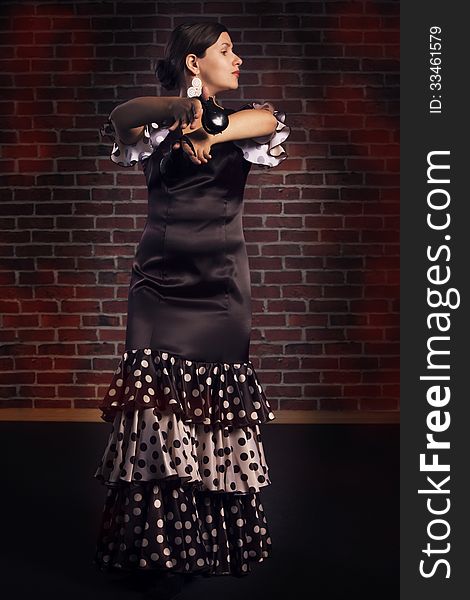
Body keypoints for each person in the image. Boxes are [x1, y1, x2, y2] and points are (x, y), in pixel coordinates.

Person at [92, 21, 290, 594]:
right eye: (227, 50)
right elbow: (122, 117)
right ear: (194, 62)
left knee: (212, 413)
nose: (240, 59)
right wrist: (179, 110)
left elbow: (271, 121)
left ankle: (210, 541)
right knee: (155, 413)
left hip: (223, 289)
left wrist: (214, 130)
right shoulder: (154, 121)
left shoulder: (245, 119)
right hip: (157, 286)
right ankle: (160, 544)